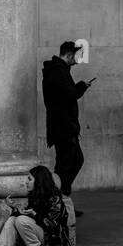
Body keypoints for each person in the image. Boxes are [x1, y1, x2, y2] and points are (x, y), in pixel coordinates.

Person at [41, 41, 90, 204]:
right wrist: (82, 86)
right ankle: (59, 200)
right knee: (66, 165)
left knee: (71, 162)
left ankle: (61, 199)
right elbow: (70, 94)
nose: (76, 61)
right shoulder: (58, 72)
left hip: (63, 127)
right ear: (68, 55)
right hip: (64, 128)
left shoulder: (57, 70)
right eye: (75, 57)